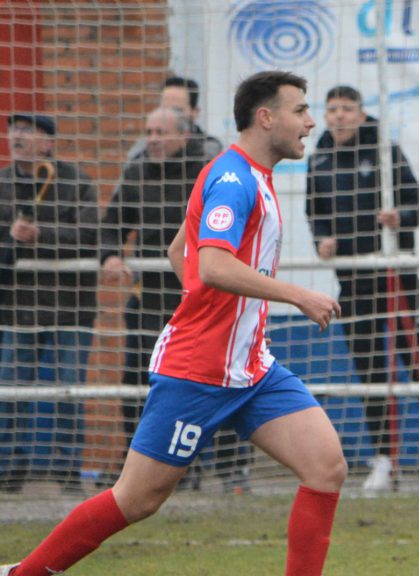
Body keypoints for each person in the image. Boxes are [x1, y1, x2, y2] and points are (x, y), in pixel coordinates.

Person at [1, 70, 348, 576]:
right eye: (300, 110)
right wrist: (295, 295)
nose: (310, 121)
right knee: (137, 499)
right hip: (197, 371)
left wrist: (225, 314)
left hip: (251, 368)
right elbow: (209, 264)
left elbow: (178, 251)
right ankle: (22, 573)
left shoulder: (249, 175)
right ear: (265, 116)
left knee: (326, 467)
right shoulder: (234, 179)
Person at [305, 85, 419, 491]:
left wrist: (398, 217)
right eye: (332, 109)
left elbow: (418, 206)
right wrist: (322, 240)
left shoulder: (386, 151)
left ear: (361, 112)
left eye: (347, 108)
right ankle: (385, 458)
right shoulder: (320, 159)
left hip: (398, 279)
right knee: (370, 369)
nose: (339, 116)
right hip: (353, 282)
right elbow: (314, 214)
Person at [100, 106, 251, 492]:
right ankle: (148, 469)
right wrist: (112, 254)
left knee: (220, 381)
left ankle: (231, 468)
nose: (152, 139)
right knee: (142, 380)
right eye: (148, 131)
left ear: (184, 135)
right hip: (151, 296)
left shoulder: (207, 170)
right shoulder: (136, 172)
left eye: (160, 131)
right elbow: (111, 225)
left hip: (206, 297)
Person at [0, 112, 99, 495]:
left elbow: (92, 232)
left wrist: (40, 234)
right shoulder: (2, 184)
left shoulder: (76, 183)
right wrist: (11, 237)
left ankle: (68, 469)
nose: (17, 136)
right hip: (15, 311)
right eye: (14, 129)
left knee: (68, 392)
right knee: (10, 392)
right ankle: (9, 468)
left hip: (69, 308)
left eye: (27, 130)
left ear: (47, 142)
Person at [125, 76, 224, 164]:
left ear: (195, 112)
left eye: (177, 110)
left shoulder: (208, 148)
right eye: (165, 109)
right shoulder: (144, 148)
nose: (170, 115)